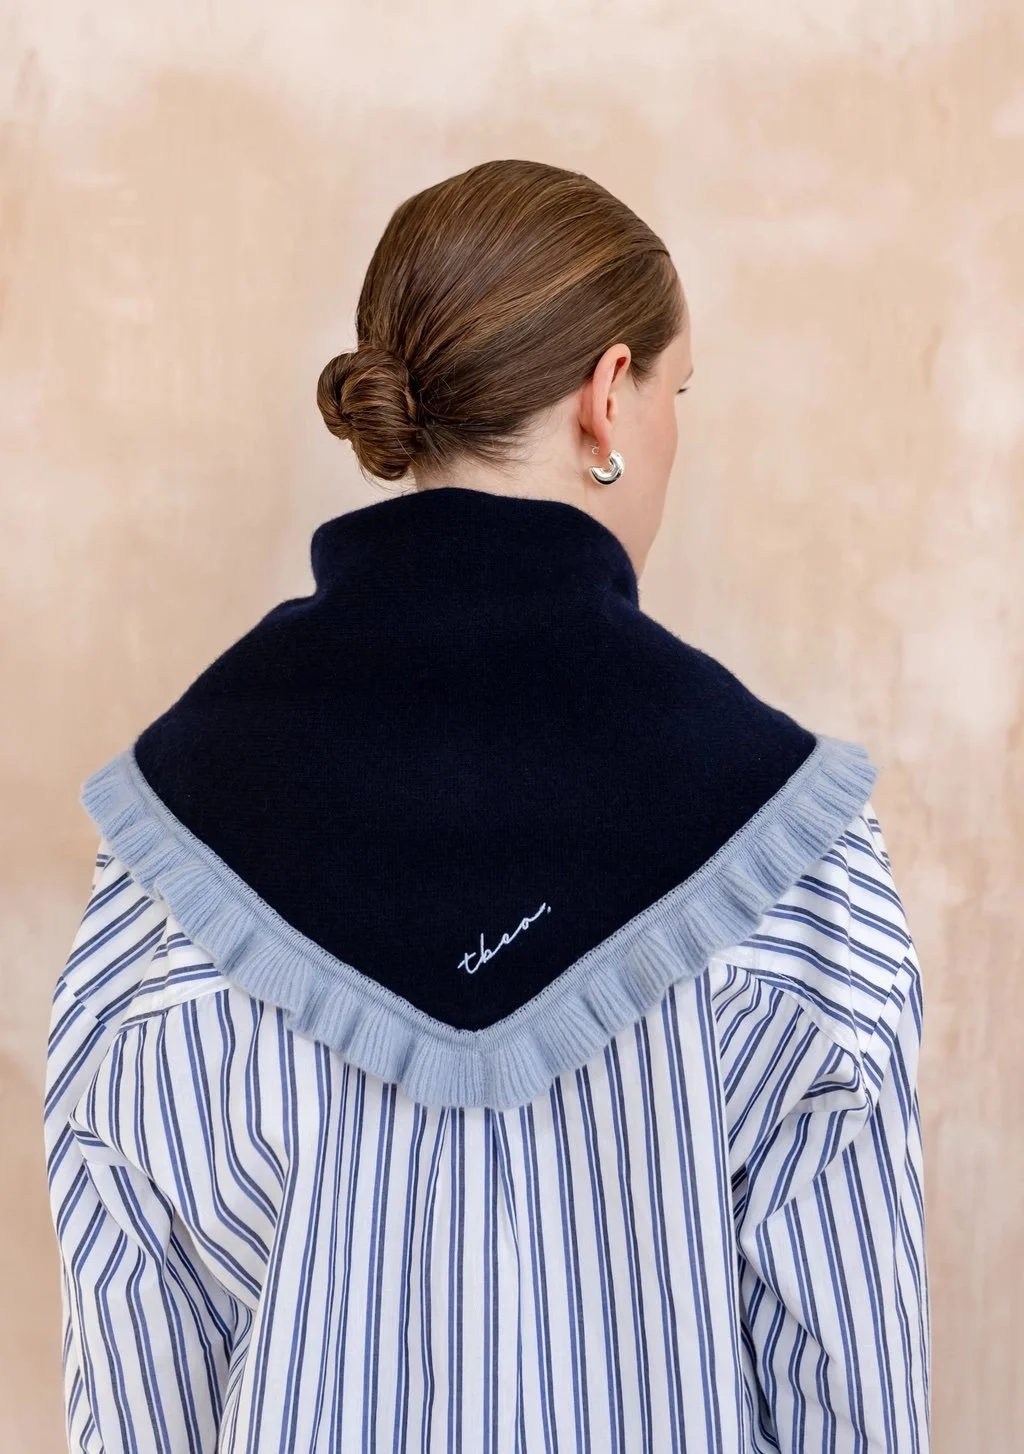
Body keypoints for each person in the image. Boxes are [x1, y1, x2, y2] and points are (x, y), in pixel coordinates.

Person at [42, 158, 930, 1452]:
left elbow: (135, 1368)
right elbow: (850, 1385)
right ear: (609, 397)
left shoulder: (171, 847)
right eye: (678, 393)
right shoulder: (794, 851)